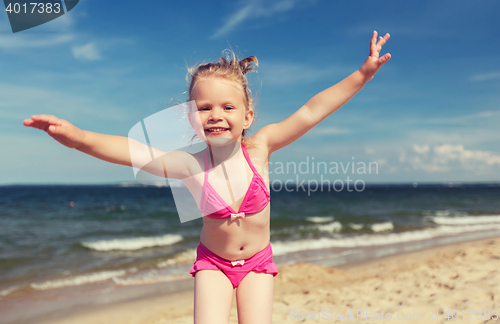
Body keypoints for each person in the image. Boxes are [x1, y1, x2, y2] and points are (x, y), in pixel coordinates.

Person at [23, 31, 391, 324]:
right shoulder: (188, 165)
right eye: (204, 108)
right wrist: (77, 138)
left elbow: (311, 111)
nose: (216, 115)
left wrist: (363, 74)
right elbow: (131, 151)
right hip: (213, 263)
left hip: (258, 264)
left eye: (228, 107)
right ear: (191, 118)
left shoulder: (260, 148)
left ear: (247, 116)